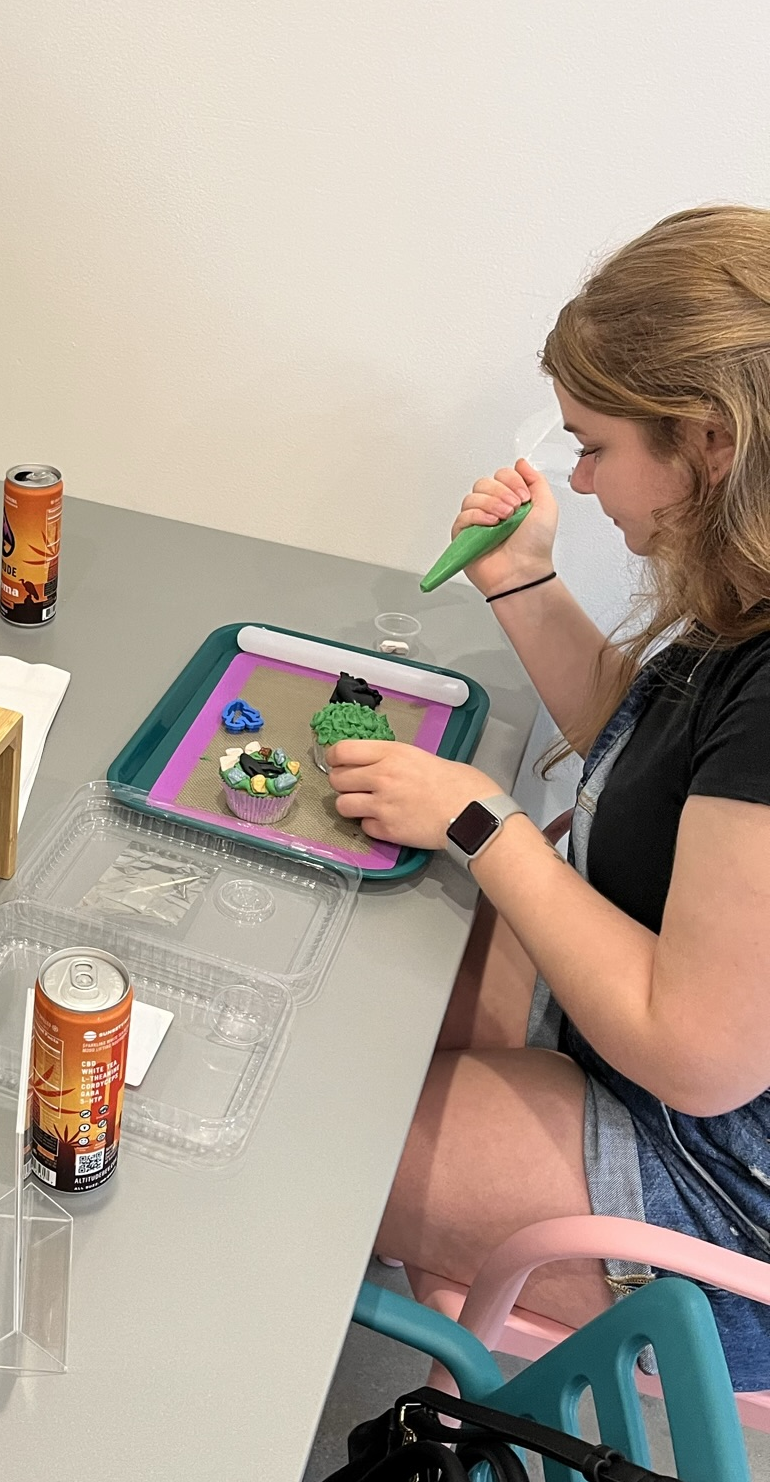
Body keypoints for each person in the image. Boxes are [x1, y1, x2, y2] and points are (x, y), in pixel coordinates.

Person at [328, 206, 770, 1389]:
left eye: (596, 446)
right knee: (348, 1012)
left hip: (717, 1195)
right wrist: (520, 578)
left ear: (710, 443)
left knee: (317, 1133)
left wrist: (479, 820)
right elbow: (668, 763)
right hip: (658, 1068)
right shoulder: (752, 613)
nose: (580, 478)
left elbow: (698, 1053)